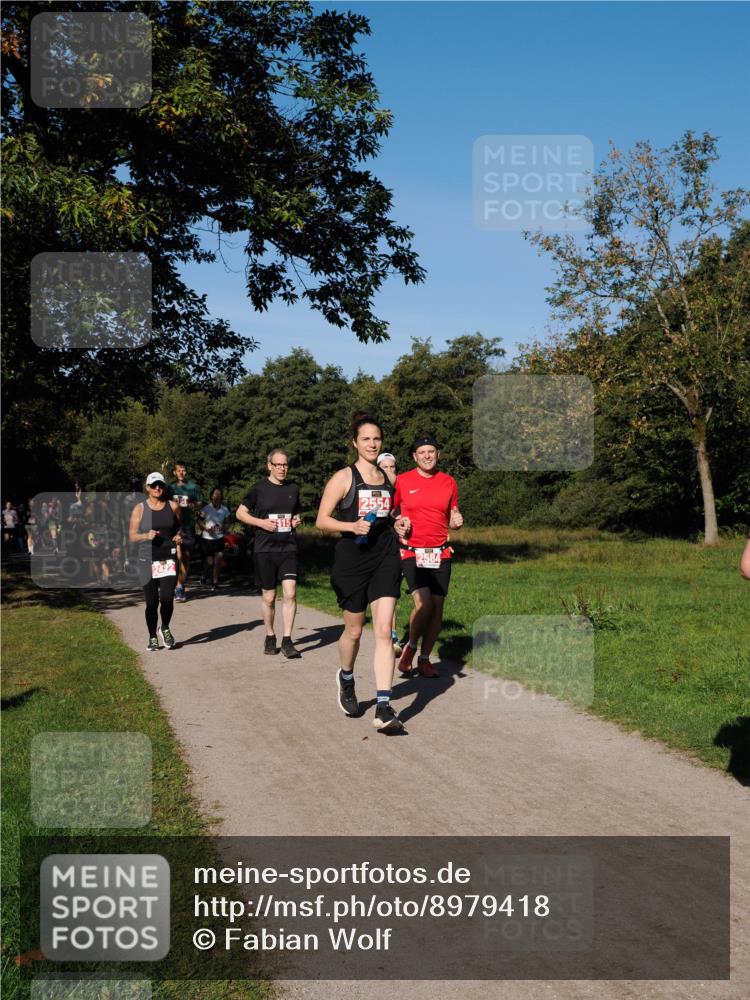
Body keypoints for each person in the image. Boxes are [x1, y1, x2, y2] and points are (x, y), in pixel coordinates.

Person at [316, 415, 411, 731]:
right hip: (352, 560)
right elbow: (322, 520)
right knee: (355, 631)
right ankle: (346, 677)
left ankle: (383, 707)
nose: (372, 444)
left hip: (385, 556)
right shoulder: (343, 477)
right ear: (355, 443)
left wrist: (398, 523)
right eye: (366, 439)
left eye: (377, 439)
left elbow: (389, 515)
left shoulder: (389, 479)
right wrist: (351, 526)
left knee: (383, 630)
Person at [394, 434, 464, 678]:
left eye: (431, 451)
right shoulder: (402, 481)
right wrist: (398, 523)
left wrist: (456, 522)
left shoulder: (449, 482)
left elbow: (452, 515)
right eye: (422, 452)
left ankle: (424, 659)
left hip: (440, 552)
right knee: (424, 604)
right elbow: (391, 512)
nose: (427, 456)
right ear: (415, 457)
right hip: (412, 551)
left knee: (437, 606)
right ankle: (410, 648)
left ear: (438, 454)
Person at [237, 450, 302, 659]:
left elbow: (295, 513)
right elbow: (240, 513)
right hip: (265, 549)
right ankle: (270, 635)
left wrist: (296, 520)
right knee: (269, 596)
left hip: (288, 548)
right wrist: (260, 523)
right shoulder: (258, 489)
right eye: (278, 465)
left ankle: (287, 640)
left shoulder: (293, 489)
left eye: (285, 465)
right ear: (269, 466)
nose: (282, 468)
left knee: (290, 593)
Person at [129, 472, 182, 651]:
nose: (157, 488)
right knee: (151, 602)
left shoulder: (173, 506)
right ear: (147, 488)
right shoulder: (140, 509)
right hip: (147, 559)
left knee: (167, 599)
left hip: (168, 558)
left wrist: (179, 536)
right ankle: (152, 636)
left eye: (160, 484)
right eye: (153, 485)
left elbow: (179, 528)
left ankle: (164, 627)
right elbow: (132, 536)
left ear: (164, 487)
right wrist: (145, 535)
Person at [376, 452, 403, 654]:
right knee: (383, 592)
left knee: (392, 591)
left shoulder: (403, 488)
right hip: (377, 546)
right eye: (384, 467)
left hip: (400, 546)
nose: (389, 471)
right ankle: (387, 632)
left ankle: (390, 633)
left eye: (392, 467)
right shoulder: (374, 489)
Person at [168, 462, 202, 602]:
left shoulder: (193, 487)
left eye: (183, 470)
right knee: (174, 557)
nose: (181, 473)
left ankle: (180, 586)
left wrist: (192, 504)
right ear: (174, 472)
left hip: (188, 525)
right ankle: (170, 585)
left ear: (186, 472)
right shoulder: (170, 488)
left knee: (186, 557)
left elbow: (199, 503)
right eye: (179, 470)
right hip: (172, 526)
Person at [198, 488, 232, 590]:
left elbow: (228, 522)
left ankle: (215, 582)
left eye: (219, 494)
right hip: (207, 538)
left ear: (221, 497)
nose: (217, 496)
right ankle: (203, 575)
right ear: (211, 496)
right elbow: (199, 521)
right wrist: (206, 528)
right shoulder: (206, 508)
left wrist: (225, 527)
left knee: (218, 560)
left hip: (219, 537)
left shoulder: (225, 509)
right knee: (210, 562)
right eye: (215, 494)